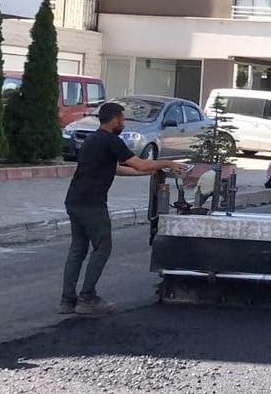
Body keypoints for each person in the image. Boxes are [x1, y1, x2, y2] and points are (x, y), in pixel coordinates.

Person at [62, 101, 182, 316]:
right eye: (123, 119)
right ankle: (87, 297)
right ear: (115, 120)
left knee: (77, 250)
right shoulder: (111, 141)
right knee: (102, 247)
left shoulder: (91, 140)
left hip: (74, 201)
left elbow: (115, 169)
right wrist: (167, 164)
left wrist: (147, 173)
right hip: (92, 204)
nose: (124, 123)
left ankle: (67, 300)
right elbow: (141, 163)